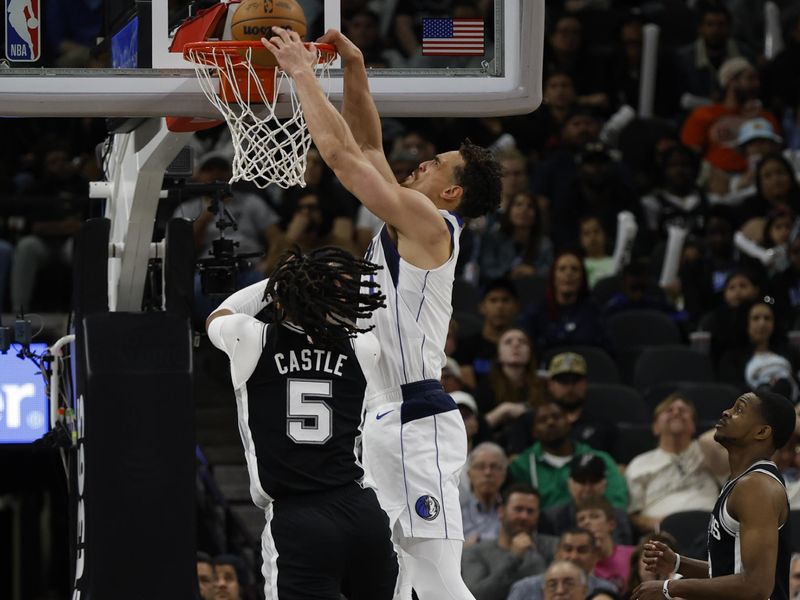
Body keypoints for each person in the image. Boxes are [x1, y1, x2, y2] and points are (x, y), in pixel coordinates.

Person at [263, 27, 502, 599]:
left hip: (415, 416)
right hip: (380, 418)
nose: (420, 163)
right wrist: (354, 67)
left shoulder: (429, 226)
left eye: (436, 165)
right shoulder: (409, 220)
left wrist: (300, 73)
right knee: (392, 579)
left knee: (438, 578)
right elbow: (369, 149)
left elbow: (345, 159)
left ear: (451, 195)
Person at [205, 246, 397, 600]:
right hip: (361, 511)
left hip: (299, 518)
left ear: (280, 297)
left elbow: (219, 313)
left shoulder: (252, 338)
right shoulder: (362, 348)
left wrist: (282, 280)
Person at [633, 390, 796, 600]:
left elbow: (756, 586)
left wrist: (669, 588)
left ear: (762, 432)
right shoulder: (738, 481)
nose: (726, 412)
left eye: (739, 410)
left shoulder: (756, 487)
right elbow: (730, 573)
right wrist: (678, 563)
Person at [625, 393, 722, 534]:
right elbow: (634, 515)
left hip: (710, 530)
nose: (676, 412)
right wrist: (663, 524)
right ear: (655, 427)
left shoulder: (708, 450)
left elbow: (734, 433)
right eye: (669, 410)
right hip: (664, 534)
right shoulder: (639, 464)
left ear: (693, 426)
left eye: (683, 411)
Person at [508, 400, 628, 510]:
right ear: (534, 432)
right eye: (543, 420)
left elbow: (617, 504)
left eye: (557, 417)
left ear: (569, 423)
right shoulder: (521, 466)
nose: (550, 422)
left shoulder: (599, 459)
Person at [461, 483, 559, 600]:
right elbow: (476, 595)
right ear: (501, 511)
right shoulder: (475, 553)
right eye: (518, 509)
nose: (524, 516)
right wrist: (514, 558)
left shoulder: (554, 547)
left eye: (530, 511)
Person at [545, 455, 634, 546]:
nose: (587, 488)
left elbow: (624, 553)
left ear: (605, 484)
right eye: (581, 481)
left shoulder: (618, 517)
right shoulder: (552, 518)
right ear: (569, 484)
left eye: (594, 480)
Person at [508, 528, 620, 600]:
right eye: (568, 549)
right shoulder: (524, 588)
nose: (573, 556)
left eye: (582, 550)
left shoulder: (606, 589)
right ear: (557, 553)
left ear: (594, 556)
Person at [575, 497, 636, 593]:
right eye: (581, 519)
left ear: (611, 524)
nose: (586, 522)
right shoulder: (575, 562)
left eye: (594, 516)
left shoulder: (633, 554)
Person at [460, 442, 508, 546]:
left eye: (494, 466)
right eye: (480, 467)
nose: (488, 472)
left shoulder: (513, 510)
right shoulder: (457, 510)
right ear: (469, 475)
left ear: (504, 474)